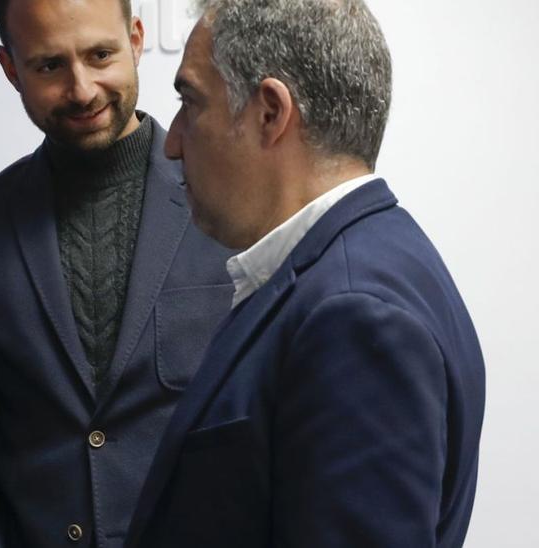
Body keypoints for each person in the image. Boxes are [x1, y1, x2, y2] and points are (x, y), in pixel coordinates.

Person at [124, 1, 486, 546]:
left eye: (190, 103)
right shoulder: (362, 266)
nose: (172, 143)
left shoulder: (354, 313)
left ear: (270, 112)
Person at [0, 0, 233, 545]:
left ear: (136, 39)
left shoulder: (231, 202)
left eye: (100, 54)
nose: (83, 88)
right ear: (11, 68)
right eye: (49, 66)